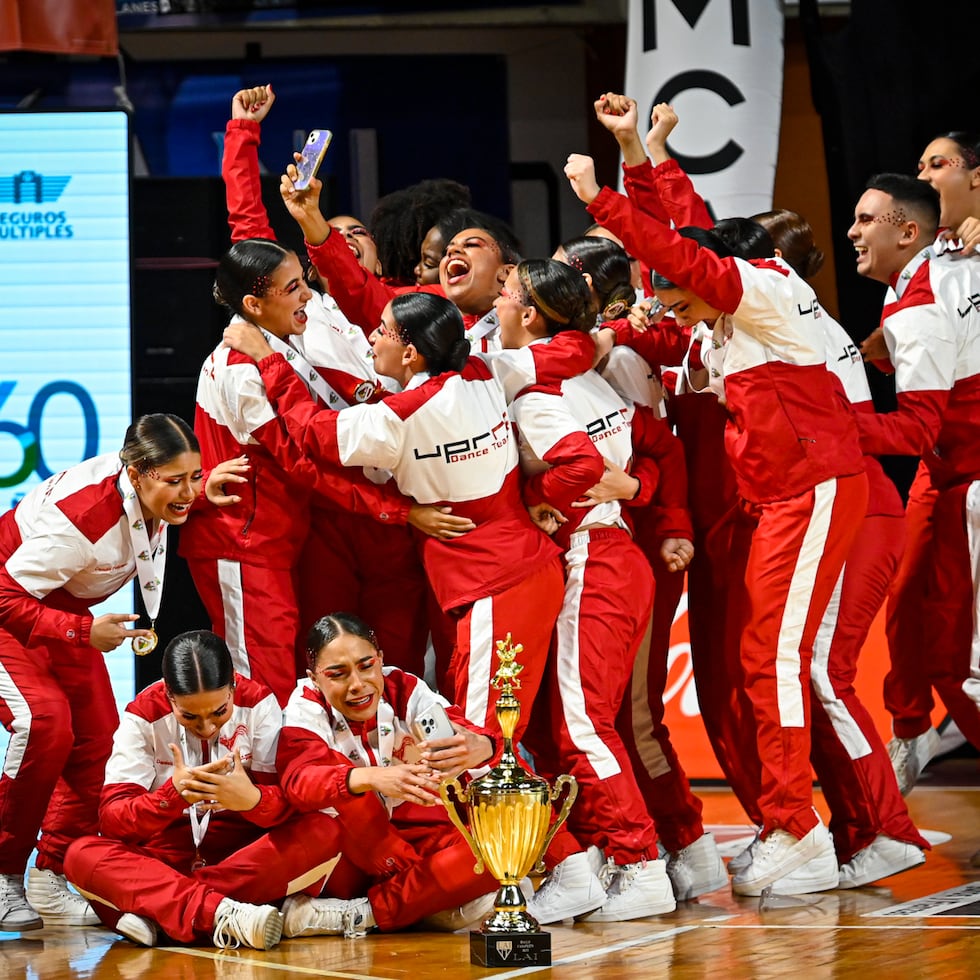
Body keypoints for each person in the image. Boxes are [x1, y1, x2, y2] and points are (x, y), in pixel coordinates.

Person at [566, 98, 869, 895]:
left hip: (812, 488)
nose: (668, 310)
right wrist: (638, 149)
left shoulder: (758, 289)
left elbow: (678, 245)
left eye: (673, 295)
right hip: (781, 499)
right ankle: (785, 823)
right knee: (754, 661)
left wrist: (602, 198)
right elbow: (677, 231)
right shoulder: (724, 318)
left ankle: (798, 828)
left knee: (772, 659)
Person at [223, 290, 565, 744]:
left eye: (382, 330)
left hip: (494, 583)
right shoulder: (482, 371)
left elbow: (308, 430)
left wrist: (266, 356)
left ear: (409, 352)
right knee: (476, 731)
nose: (371, 338)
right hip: (510, 571)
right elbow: (570, 352)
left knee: (482, 743)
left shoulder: (395, 419)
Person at [498, 258, 698, 921]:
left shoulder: (536, 392)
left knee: (584, 725)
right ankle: (610, 859)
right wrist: (647, 493)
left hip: (596, 558)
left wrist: (532, 495)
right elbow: (654, 445)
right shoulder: (588, 378)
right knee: (567, 728)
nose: (495, 299)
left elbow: (581, 471)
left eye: (506, 292)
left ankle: (640, 865)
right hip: (614, 557)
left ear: (529, 315)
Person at [219, 83, 437, 677]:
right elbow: (248, 230)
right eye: (327, 235)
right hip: (331, 507)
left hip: (401, 501)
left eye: (354, 235)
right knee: (326, 657)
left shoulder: (409, 313)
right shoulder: (297, 313)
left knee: (400, 656)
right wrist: (243, 133)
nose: (341, 241)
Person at [0, 415, 226, 930]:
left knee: (99, 741)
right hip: (8, 599)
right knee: (45, 723)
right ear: (138, 472)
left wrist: (201, 486)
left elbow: (183, 489)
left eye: (195, 476)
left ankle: (50, 874)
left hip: (58, 604)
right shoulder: (84, 519)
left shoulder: (154, 489)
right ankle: (3, 872)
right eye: (177, 480)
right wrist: (81, 633)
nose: (189, 491)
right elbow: (4, 594)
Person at [64, 630, 351, 950]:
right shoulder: (143, 713)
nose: (207, 727)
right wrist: (170, 797)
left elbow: (290, 805)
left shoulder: (257, 701)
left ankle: (168, 914)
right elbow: (113, 821)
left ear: (233, 686)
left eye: (219, 712)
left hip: (241, 855)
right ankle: (226, 913)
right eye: (189, 716)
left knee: (325, 829)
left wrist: (254, 800)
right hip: (166, 858)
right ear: (168, 695)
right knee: (80, 856)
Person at [848, 173, 980, 788]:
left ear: (907, 230)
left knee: (959, 660)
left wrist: (826, 432)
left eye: (865, 221)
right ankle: (910, 733)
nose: (851, 232)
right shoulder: (931, 271)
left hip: (969, 474)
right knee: (903, 600)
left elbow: (915, 431)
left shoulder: (924, 302)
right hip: (944, 466)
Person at [275, 613, 504, 937]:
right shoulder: (305, 706)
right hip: (351, 855)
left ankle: (363, 915)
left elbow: (458, 731)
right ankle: (424, 902)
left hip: (415, 847)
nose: (357, 684)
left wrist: (483, 745)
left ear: (380, 659)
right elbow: (299, 784)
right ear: (314, 678)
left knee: (500, 849)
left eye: (367, 666)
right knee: (341, 800)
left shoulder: (404, 687)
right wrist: (371, 778)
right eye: (337, 674)